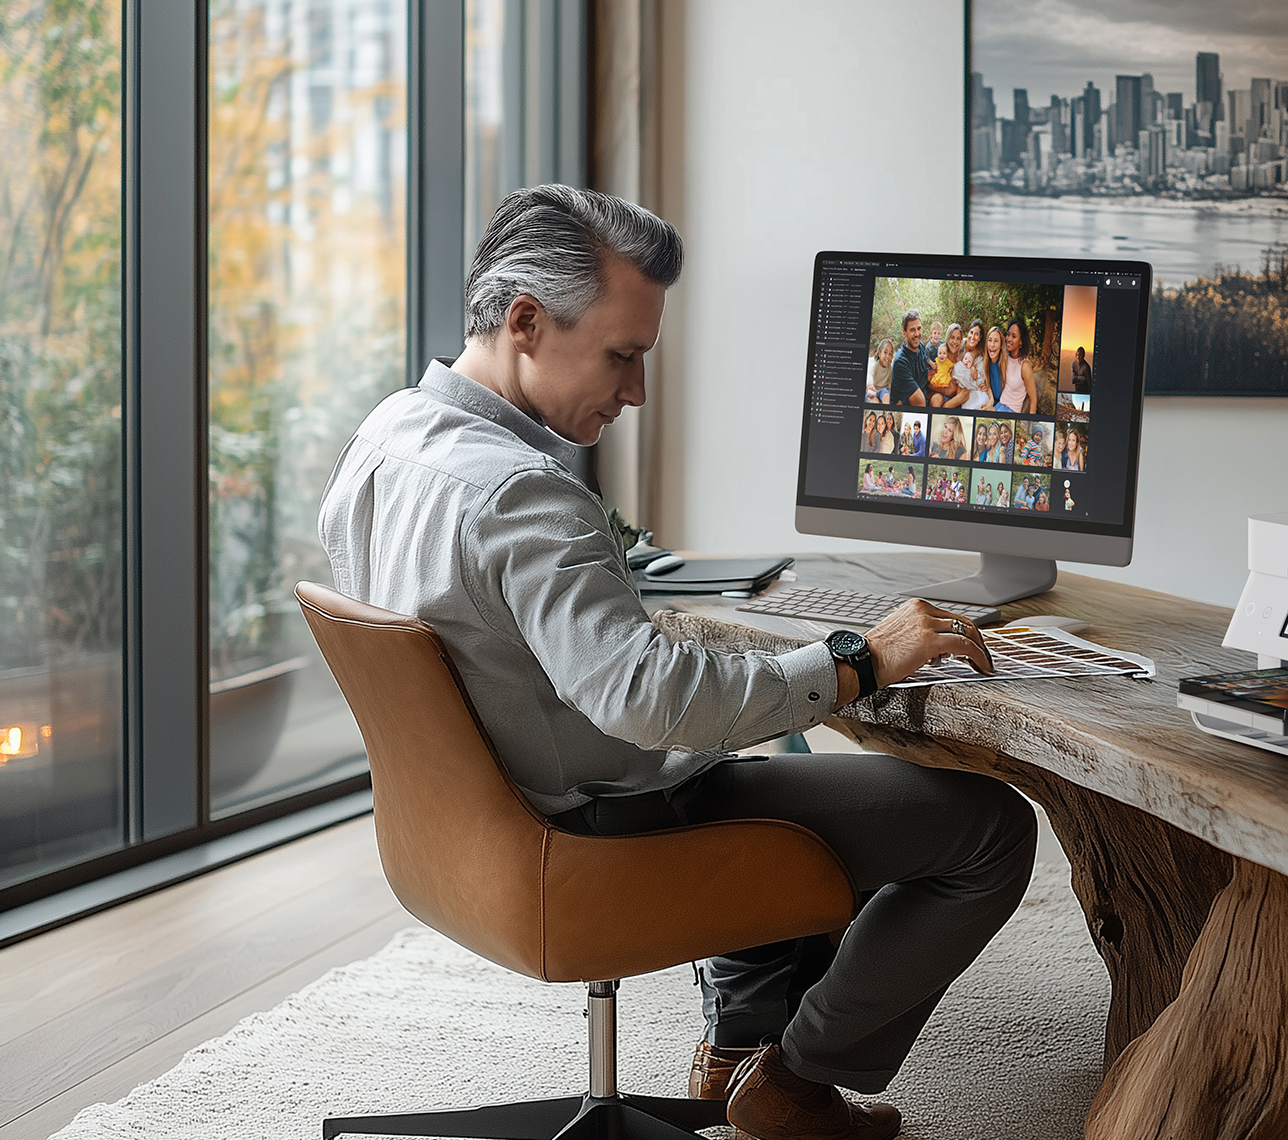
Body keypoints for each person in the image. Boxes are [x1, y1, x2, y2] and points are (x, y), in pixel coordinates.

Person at [319, 186, 1028, 1140]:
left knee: (783, 753)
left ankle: (741, 1035)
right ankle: (799, 1083)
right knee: (986, 830)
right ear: (525, 320)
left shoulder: (386, 438)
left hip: (460, 835)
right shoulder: (523, 495)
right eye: (624, 355)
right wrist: (863, 658)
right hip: (596, 836)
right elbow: (649, 703)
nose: (637, 391)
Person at [888, 311, 931, 407]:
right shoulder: (900, 362)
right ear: (904, 333)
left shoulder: (921, 347)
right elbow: (919, 402)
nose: (917, 334)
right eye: (912, 330)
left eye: (919, 329)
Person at [997, 319, 1037, 415]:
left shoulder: (1024, 366)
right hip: (999, 404)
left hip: (1011, 410)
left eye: (1014, 336)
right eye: (1008, 334)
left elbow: (1033, 398)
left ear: (1021, 341)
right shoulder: (1005, 356)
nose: (1009, 339)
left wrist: (1030, 421)